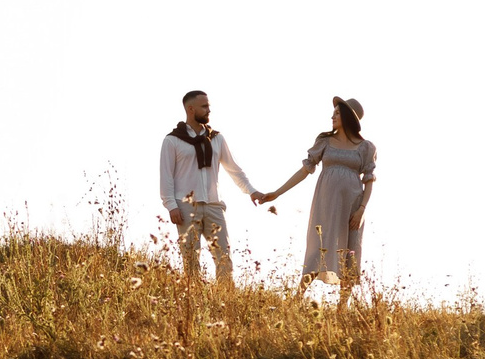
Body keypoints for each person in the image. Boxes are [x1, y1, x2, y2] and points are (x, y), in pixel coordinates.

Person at [255, 96, 376, 310]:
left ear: (348, 117)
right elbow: (304, 171)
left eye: (337, 113)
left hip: (353, 206)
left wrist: (362, 210)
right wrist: (277, 193)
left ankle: (342, 308)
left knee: (350, 251)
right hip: (326, 204)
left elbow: (369, 181)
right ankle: (296, 299)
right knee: (317, 247)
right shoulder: (325, 141)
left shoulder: (366, 147)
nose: (332, 116)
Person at [159, 89, 257, 287]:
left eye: (208, 106)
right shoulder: (172, 140)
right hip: (186, 207)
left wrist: (252, 191)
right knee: (190, 259)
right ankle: (193, 298)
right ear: (190, 109)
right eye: (204, 106)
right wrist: (171, 205)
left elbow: (234, 169)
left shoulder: (216, 138)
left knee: (224, 256)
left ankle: (226, 297)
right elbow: (166, 176)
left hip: (214, 205)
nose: (208, 110)